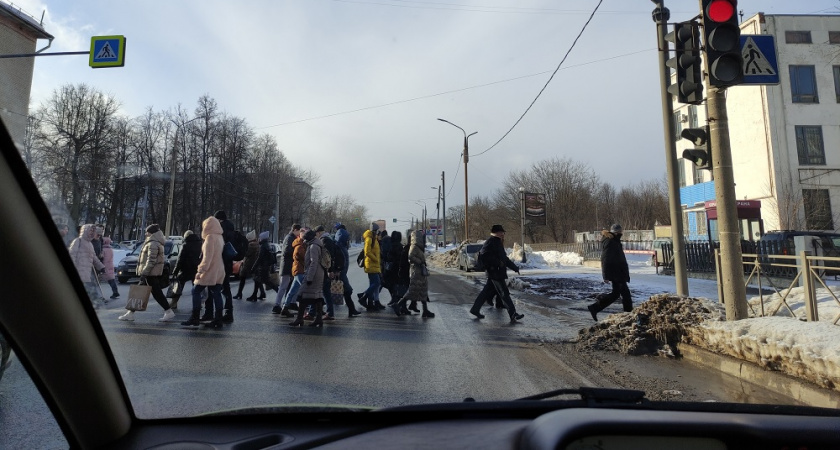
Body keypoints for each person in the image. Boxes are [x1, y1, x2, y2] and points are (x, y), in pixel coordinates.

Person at [119, 224, 177, 322]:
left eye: (147, 232)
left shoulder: (153, 243)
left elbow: (151, 260)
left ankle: (168, 311)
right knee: (152, 293)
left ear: (152, 233)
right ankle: (168, 311)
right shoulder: (155, 242)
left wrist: (144, 272)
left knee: (146, 294)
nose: (146, 234)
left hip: (149, 274)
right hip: (151, 274)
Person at [469, 225, 524, 323]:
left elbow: (504, 259)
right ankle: (513, 314)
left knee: (485, 293)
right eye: (502, 232)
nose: (503, 234)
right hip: (495, 272)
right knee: (504, 293)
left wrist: (514, 267)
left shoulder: (497, 242)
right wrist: (497, 263)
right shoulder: (492, 241)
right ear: (497, 232)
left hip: (496, 272)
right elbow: (484, 255)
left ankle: (475, 309)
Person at [181, 216, 227, 329]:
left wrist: (200, 271)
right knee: (216, 293)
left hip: (210, 270)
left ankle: (195, 317)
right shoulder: (220, 237)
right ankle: (218, 319)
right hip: (219, 269)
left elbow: (207, 258)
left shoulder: (210, 238)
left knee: (195, 290)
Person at [587, 224, 633, 321]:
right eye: (621, 231)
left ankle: (595, 308)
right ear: (617, 232)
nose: (622, 233)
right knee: (626, 295)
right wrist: (605, 275)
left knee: (616, 294)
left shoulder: (614, 240)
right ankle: (629, 315)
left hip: (618, 272)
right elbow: (605, 259)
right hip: (616, 272)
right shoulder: (610, 241)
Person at [393, 229, 435, 318]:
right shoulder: (414, 247)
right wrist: (420, 262)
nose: (423, 239)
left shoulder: (419, 247)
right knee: (412, 291)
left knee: (423, 291)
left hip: (421, 272)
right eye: (421, 237)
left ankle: (425, 310)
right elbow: (410, 257)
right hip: (416, 272)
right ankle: (398, 304)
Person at [290, 229, 326, 327]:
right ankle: (319, 319)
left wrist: (309, 277)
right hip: (319, 273)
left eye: (306, 239)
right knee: (317, 296)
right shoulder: (317, 244)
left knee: (302, 295)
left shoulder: (313, 246)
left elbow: (313, 262)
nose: (305, 241)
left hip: (313, 274)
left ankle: (299, 319)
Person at [68, 224, 107, 308]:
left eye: (93, 231)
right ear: (85, 231)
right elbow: (72, 254)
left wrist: (101, 267)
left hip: (86, 274)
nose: (91, 233)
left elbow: (94, 258)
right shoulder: (78, 241)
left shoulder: (90, 244)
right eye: (90, 230)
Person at [278, 227, 307, 317]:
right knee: (304, 291)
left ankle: (285, 307)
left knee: (292, 290)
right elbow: (304, 258)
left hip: (297, 270)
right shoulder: (299, 246)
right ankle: (303, 313)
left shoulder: (299, 244)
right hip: (300, 270)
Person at [170, 229, 202, 310]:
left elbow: (180, 259)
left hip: (185, 269)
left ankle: (174, 303)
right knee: (196, 289)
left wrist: (175, 271)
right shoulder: (200, 244)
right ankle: (198, 304)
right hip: (196, 269)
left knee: (178, 287)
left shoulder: (185, 245)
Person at [272, 224, 301, 314]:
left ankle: (290, 303)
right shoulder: (289, 238)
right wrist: (296, 252)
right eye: (299, 231)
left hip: (289, 266)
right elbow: (288, 251)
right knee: (283, 287)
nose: (299, 233)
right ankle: (277, 305)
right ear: (295, 230)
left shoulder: (291, 237)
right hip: (287, 266)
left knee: (290, 286)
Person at [214, 210, 237, 323]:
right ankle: (228, 312)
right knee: (225, 287)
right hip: (228, 262)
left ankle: (221, 314)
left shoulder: (221, 230)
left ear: (219, 219)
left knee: (221, 288)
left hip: (222, 261)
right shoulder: (231, 229)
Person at [333, 222, 360, 317]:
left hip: (341, 273)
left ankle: (351, 310)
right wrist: (338, 271)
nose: (348, 241)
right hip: (340, 273)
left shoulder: (341, 246)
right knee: (347, 290)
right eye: (347, 239)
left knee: (344, 291)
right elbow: (339, 262)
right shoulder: (340, 247)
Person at [357, 222, 384, 310]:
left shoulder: (374, 238)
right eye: (376, 230)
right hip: (371, 264)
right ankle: (363, 297)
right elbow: (367, 252)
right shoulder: (369, 238)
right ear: (374, 230)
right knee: (377, 283)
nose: (377, 232)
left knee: (375, 283)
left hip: (375, 264)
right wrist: (376, 259)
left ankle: (372, 301)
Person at [252, 230, 279, 299]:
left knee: (266, 281)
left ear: (262, 238)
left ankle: (279, 292)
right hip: (265, 266)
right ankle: (257, 295)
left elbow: (260, 258)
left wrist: (254, 267)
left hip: (263, 267)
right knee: (258, 279)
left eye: (260, 238)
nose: (259, 239)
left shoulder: (263, 246)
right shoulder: (267, 245)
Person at [234, 230, 259, 300]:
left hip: (248, 264)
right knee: (257, 280)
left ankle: (239, 293)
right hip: (254, 264)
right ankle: (257, 293)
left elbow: (246, 253)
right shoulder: (257, 245)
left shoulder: (251, 245)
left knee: (243, 278)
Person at [384, 230, 405, 307]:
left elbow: (389, 256)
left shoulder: (392, 245)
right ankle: (396, 299)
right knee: (395, 284)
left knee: (390, 284)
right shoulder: (400, 246)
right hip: (397, 268)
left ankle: (395, 299)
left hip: (391, 268)